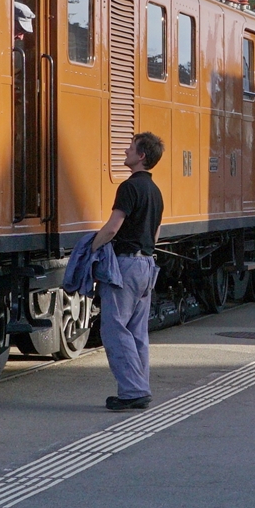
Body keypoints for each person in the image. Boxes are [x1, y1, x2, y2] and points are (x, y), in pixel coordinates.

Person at [91, 131, 164, 411]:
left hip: (126, 264)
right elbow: (156, 232)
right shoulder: (155, 192)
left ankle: (132, 391)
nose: (126, 151)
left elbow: (112, 227)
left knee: (114, 328)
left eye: (131, 148)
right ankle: (139, 387)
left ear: (141, 156)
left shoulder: (129, 188)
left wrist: (92, 248)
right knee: (137, 332)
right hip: (147, 263)